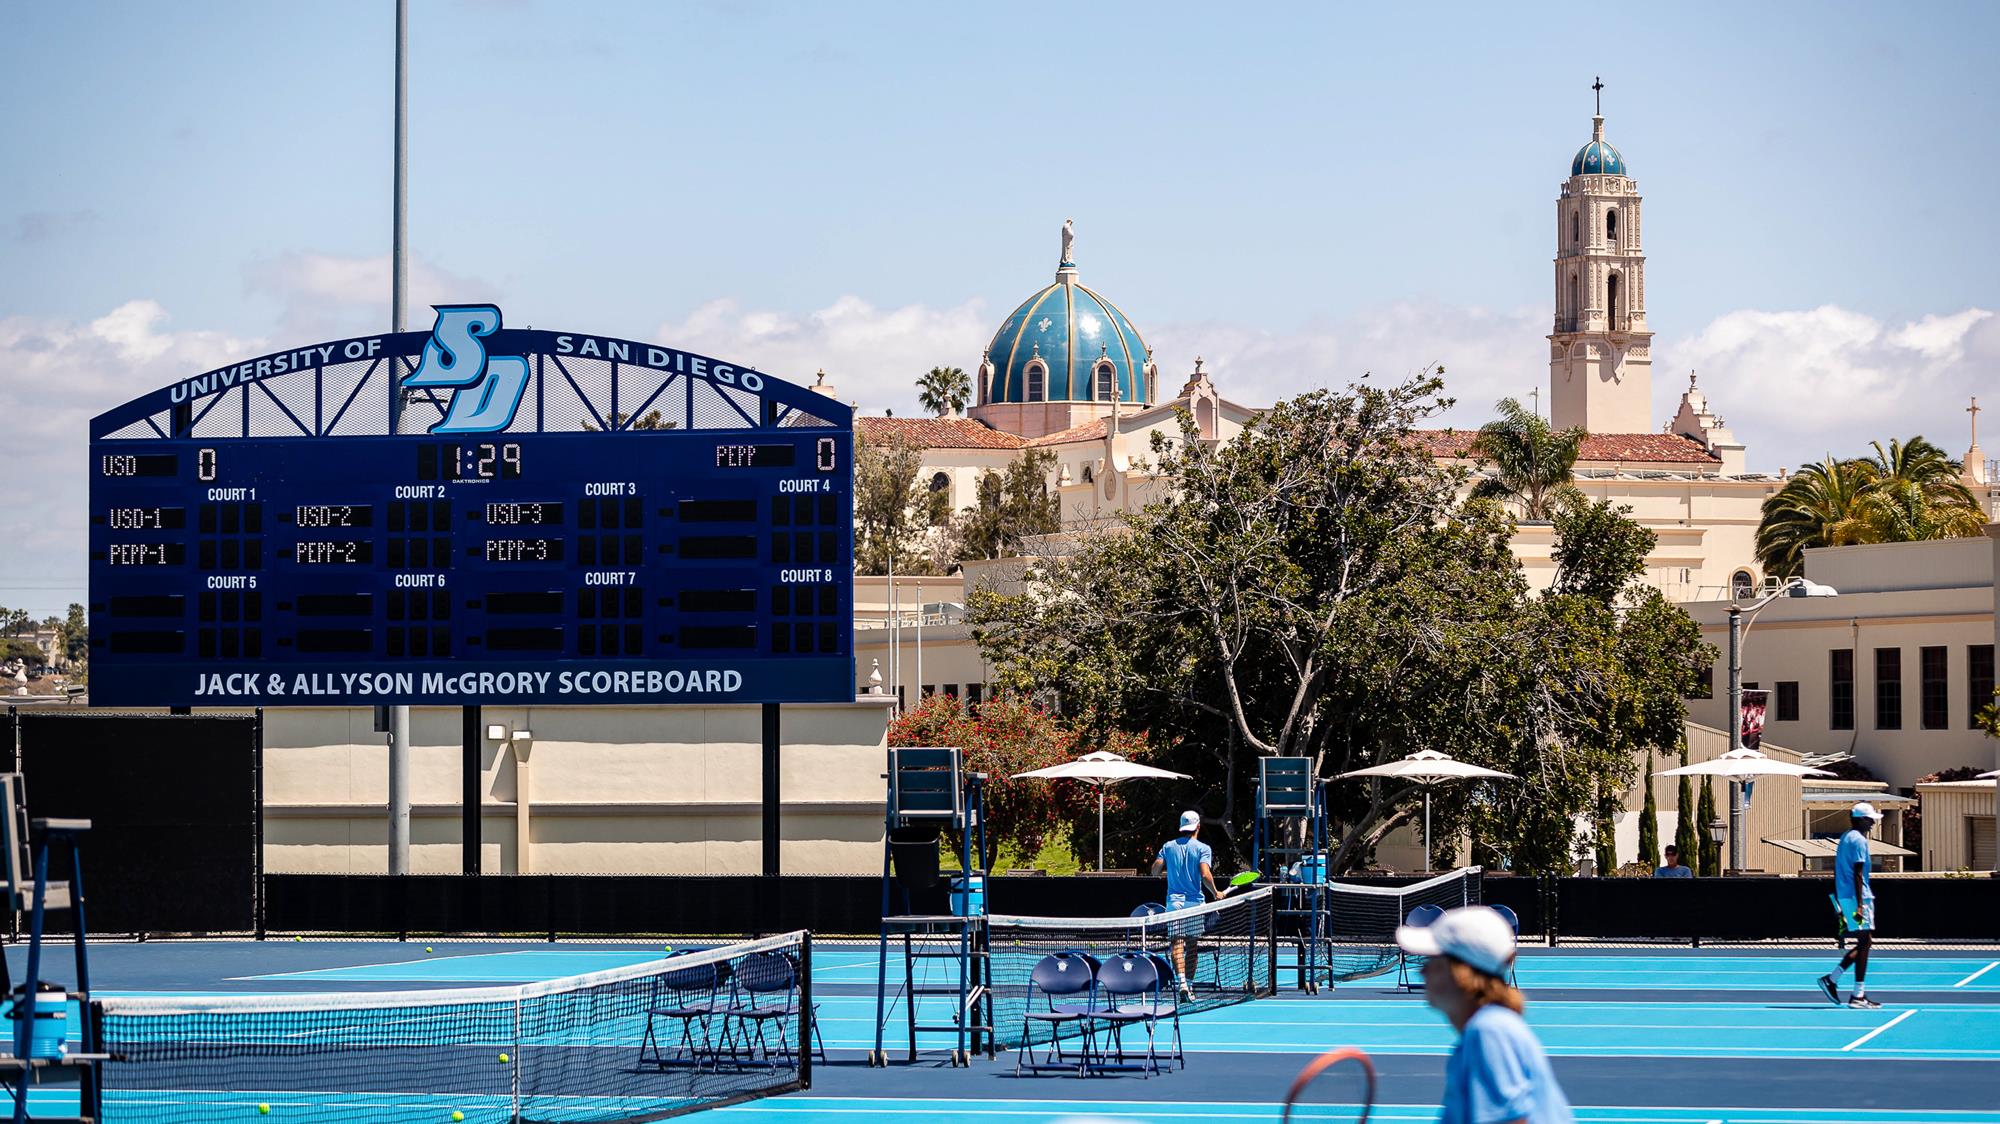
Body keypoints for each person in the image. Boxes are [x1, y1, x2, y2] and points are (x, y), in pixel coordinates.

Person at [1398, 906, 1575, 1124]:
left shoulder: (1489, 1031)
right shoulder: (1489, 1028)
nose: (1422, 971)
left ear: (1459, 973)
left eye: (1433, 961)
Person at [1818, 802, 1883, 1009]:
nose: (1872, 823)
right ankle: (1853, 992)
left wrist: (1840, 900)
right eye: (1870, 819)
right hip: (1858, 899)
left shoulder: (1845, 837)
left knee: (1865, 941)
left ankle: (1844, 985)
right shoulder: (1859, 840)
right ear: (1861, 819)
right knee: (1865, 941)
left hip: (1848, 898)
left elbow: (1839, 871)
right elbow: (1857, 873)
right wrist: (1860, 905)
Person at [1151, 810, 1219, 999]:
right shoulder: (1203, 848)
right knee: (1192, 946)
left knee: (1177, 944)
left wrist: (1167, 863)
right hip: (1194, 903)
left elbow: (1155, 870)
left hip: (1174, 904)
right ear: (1198, 826)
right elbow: (1205, 874)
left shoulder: (1168, 846)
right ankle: (1188, 986)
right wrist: (1216, 893)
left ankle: (1181, 983)